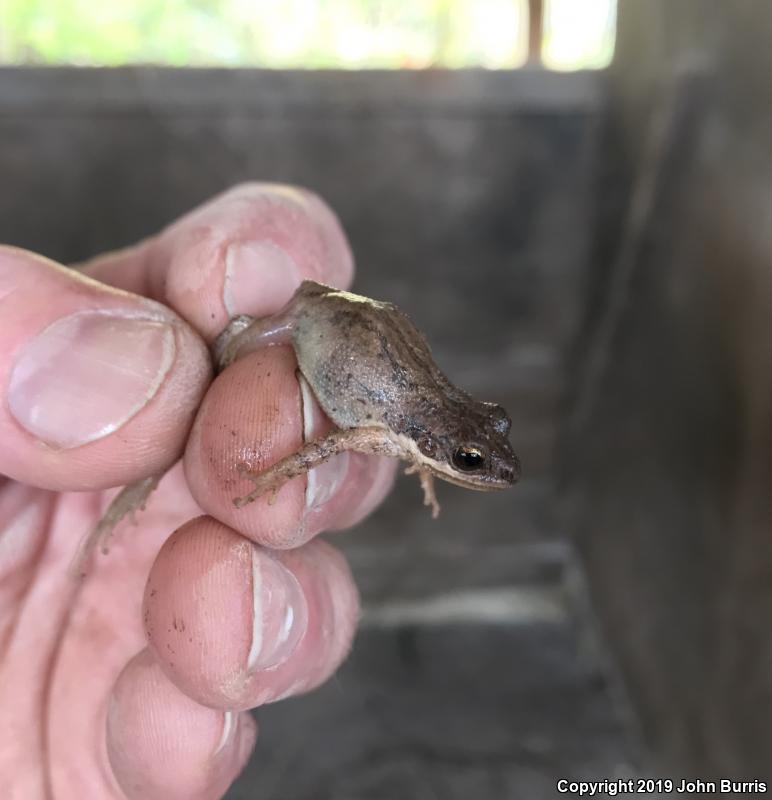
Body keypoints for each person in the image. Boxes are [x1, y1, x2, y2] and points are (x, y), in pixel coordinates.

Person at [0, 183, 397, 798]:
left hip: (300, 342)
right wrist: (277, 471)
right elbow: (326, 445)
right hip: (296, 331)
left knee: (222, 617)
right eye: (466, 461)